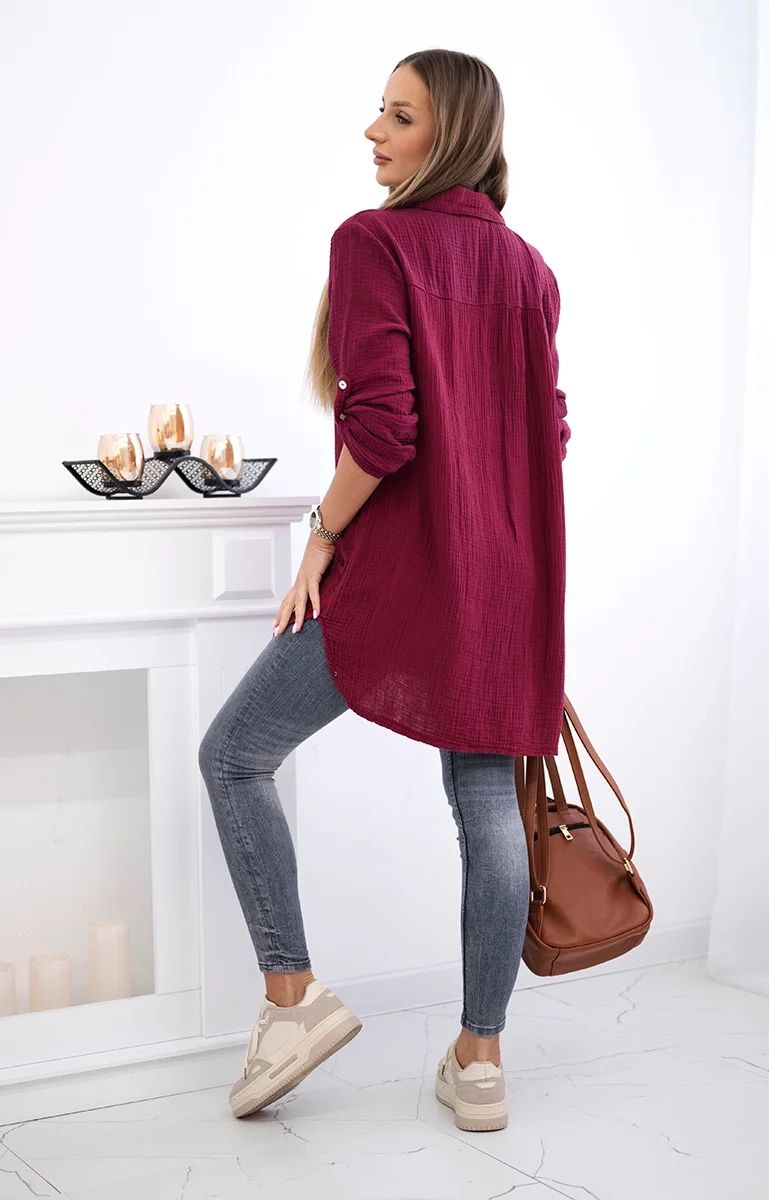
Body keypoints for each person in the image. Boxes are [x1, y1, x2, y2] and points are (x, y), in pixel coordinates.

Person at [198, 47, 570, 1133]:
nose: (374, 132)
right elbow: (547, 434)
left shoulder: (372, 241)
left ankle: (291, 1002)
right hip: (505, 581)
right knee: (486, 804)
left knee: (234, 755)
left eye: (399, 117)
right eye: (380, 112)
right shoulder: (530, 271)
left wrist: (321, 536)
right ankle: (480, 1062)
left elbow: (385, 429)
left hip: (403, 573)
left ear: (450, 136)